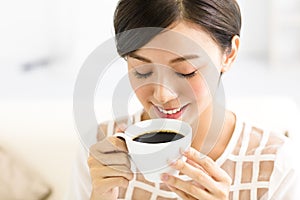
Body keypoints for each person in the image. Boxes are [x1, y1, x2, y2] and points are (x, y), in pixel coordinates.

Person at [68, 0, 300, 199]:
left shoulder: (276, 166)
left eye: (186, 71)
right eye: (142, 71)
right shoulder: (101, 153)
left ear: (229, 54)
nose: (162, 95)